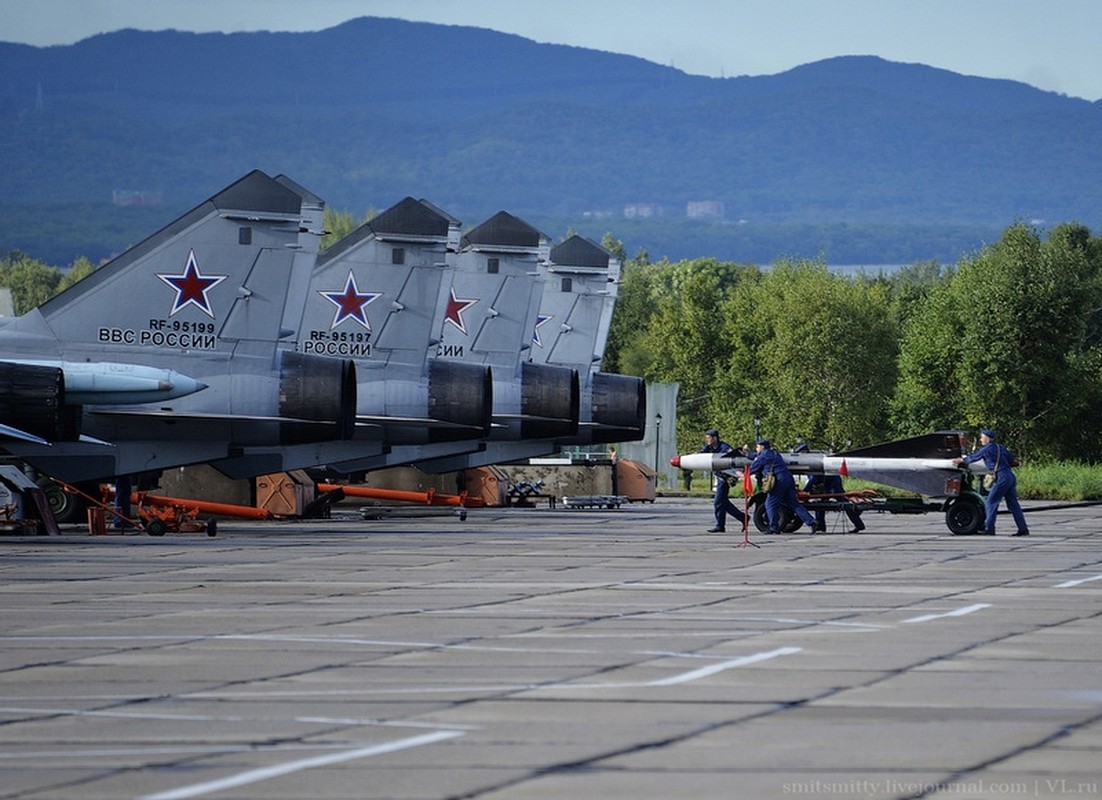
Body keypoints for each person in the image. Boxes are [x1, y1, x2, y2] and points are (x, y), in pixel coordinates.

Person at [954, 428, 1029, 536]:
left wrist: (961, 460)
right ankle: (1023, 529)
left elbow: (973, 458)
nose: (980, 439)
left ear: (987, 438)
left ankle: (989, 529)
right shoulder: (1001, 447)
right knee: (1013, 505)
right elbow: (1011, 460)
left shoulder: (986, 449)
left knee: (991, 502)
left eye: (982, 437)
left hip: (1002, 477)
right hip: (1010, 476)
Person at [748, 438, 817, 534]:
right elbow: (756, 455)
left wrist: (741, 474)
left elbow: (752, 469)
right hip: (788, 479)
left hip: (778, 481)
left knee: (770, 504)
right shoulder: (775, 453)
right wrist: (747, 454)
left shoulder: (763, 457)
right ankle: (811, 522)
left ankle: (773, 527)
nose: (756, 448)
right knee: (794, 504)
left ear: (762, 447)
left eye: (757, 447)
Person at [795, 444, 865, 533]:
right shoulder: (810, 459)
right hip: (825, 483)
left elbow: (814, 478)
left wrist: (805, 491)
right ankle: (821, 527)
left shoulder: (811, 461)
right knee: (820, 505)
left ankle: (859, 525)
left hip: (833, 483)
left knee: (843, 504)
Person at [700, 428, 746, 532]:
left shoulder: (725, 448)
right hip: (720, 476)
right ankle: (742, 518)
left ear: (715, 438)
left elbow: (733, 460)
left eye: (709, 438)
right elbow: (702, 455)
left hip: (726, 477)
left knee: (718, 502)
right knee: (723, 502)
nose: (707, 440)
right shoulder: (710, 447)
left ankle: (721, 525)